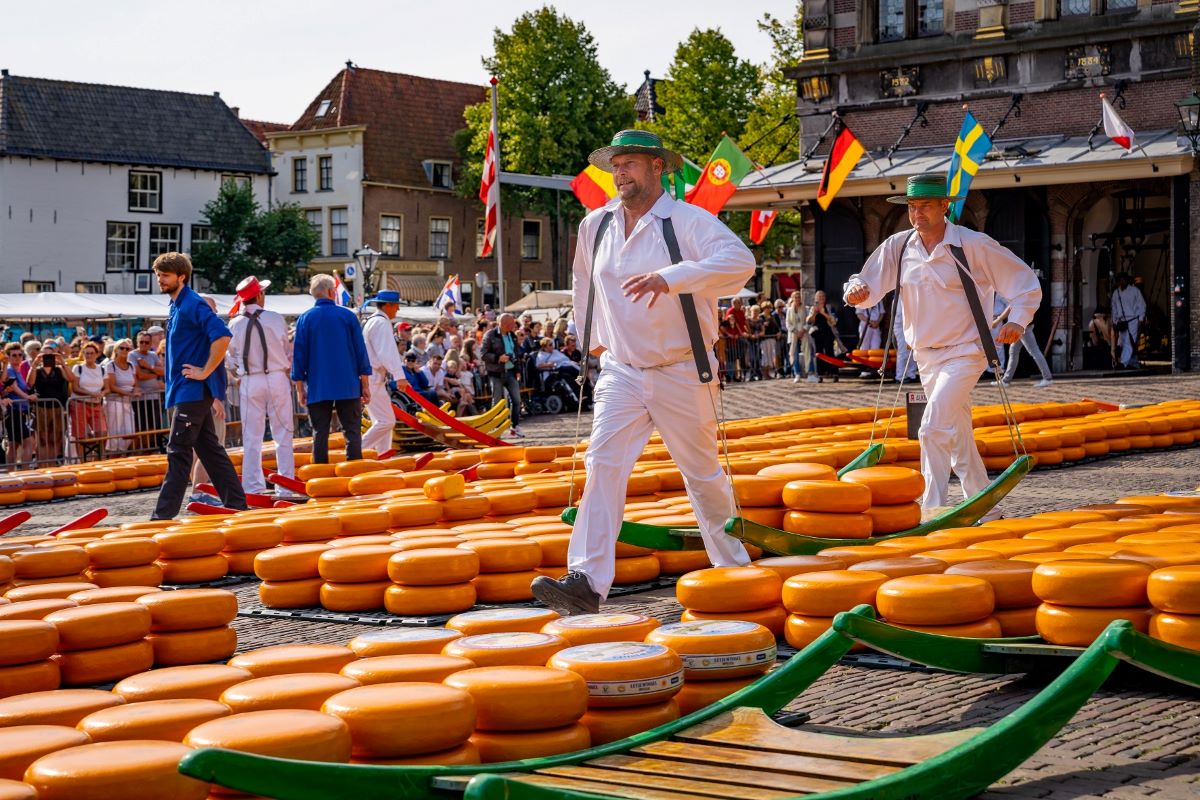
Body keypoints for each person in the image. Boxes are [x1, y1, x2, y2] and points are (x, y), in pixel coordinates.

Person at [532, 129, 753, 615]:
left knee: (701, 473)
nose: (620, 173)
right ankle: (587, 581)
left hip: (681, 368)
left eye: (630, 163)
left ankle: (734, 571)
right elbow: (583, 281)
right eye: (616, 164)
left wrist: (670, 279)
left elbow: (741, 263)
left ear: (658, 168)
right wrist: (590, 339)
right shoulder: (597, 225)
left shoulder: (688, 221)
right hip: (621, 369)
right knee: (602, 463)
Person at [844, 172, 1041, 512]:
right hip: (925, 357)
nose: (917, 214)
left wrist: (1017, 321)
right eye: (912, 206)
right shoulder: (899, 246)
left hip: (968, 352)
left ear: (944, 206)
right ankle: (986, 507)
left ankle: (931, 508)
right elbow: (866, 282)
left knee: (932, 427)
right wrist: (855, 291)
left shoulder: (973, 244)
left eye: (925, 206)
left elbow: (1024, 282)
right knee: (958, 435)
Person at [150, 252, 246, 519]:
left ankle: (161, 517)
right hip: (187, 390)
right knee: (210, 451)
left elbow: (223, 336)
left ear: (181, 276)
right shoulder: (176, 305)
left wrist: (205, 372)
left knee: (178, 452)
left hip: (191, 391)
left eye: (165, 275)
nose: (160, 279)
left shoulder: (192, 303)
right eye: (158, 274)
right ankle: (237, 505)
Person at [226, 275, 297, 495]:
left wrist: (240, 371)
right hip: (276, 377)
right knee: (283, 433)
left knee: (251, 436)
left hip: (250, 379)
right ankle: (285, 486)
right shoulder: (275, 319)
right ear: (258, 295)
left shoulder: (234, 323)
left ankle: (253, 487)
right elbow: (286, 350)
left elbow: (229, 358)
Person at [292, 274, 372, 465]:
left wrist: (299, 389)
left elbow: (299, 356)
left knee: (319, 432)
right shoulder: (348, 316)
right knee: (352, 431)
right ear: (331, 292)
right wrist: (365, 385)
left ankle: (320, 476)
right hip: (348, 383)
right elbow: (360, 352)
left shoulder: (305, 319)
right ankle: (354, 472)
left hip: (319, 385)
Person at [189, 295, 231, 495]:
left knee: (199, 450)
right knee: (212, 448)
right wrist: (215, 398)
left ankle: (199, 491)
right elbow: (209, 369)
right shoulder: (208, 336)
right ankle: (199, 493)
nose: (215, 315)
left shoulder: (190, 334)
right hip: (207, 397)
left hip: (193, 398)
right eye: (212, 311)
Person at [359, 290, 408, 456]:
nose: (398, 310)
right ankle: (356, 451)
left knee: (381, 421)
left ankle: (382, 455)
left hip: (373, 376)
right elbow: (386, 353)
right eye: (396, 306)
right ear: (387, 305)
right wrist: (400, 376)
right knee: (387, 421)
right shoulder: (381, 323)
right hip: (373, 376)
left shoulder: (374, 321)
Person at [481, 313, 524, 438]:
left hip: (510, 372)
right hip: (496, 373)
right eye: (511, 323)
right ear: (504, 324)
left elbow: (516, 354)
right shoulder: (490, 335)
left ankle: (514, 426)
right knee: (497, 402)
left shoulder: (512, 335)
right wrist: (498, 358)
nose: (514, 325)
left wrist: (517, 370)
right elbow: (483, 354)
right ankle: (496, 429)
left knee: (516, 400)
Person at [996, 295, 1052, 388]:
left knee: (1034, 351)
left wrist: (997, 320)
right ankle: (1006, 380)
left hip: (1022, 326)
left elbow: (1010, 307)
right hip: (1022, 324)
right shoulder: (1024, 291)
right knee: (1014, 352)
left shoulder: (1019, 292)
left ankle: (1048, 378)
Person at [27, 344, 70, 463]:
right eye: (44, 355)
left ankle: (51, 464)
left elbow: (71, 379)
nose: (47, 357)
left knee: (55, 438)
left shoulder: (59, 370)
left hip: (57, 407)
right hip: (42, 408)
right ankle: (42, 464)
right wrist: (34, 364)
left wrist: (62, 362)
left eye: (50, 355)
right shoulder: (38, 370)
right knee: (42, 438)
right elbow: (30, 383)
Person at [128, 329, 165, 451]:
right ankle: (141, 451)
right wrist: (154, 373)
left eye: (146, 342)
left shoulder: (153, 355)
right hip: (140, 398)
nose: (144, 344)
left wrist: (148, 367)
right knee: (141, 427)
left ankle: (151, 449)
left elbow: (163, 372)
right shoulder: (132, 355)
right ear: (137, 342)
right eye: (141, 342)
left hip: (153, 397)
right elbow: (139, 375)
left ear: (150, 344)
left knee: (154, 426)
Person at [68, 341, 106, 458]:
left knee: (102, 433)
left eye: (91, 353)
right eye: (86, 353)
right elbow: (75, 387)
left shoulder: (102, 369)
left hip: (96, 405)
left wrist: (101, 393)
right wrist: (90, 394)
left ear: (97, 354)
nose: (89, 355)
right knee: (81, 436)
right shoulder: (78, 368)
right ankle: (82, 462)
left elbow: (107, 387)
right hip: (80, 404)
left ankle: (99, 458)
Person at [102, 338, 138, 453]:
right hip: (114, 402)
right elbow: (112, 386)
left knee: (130, 432)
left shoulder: (131, 365)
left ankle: (121, 454)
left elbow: (135, 383)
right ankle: (113, 458)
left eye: (127, 348)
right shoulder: (110, 365)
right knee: (114, 434)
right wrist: (128, 393)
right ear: (116, 350)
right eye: (122, 348)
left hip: (127, 402)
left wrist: (136, 390)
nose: (124, 350)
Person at [2, 343, 36, 465]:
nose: (17, 357)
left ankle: (13, 472)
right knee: (27, 442)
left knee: (13, 444)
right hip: (14, 411)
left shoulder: (19, 371)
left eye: (20, 355)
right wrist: (28, 397)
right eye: (14, 355)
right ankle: (24, 472)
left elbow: (27, 386)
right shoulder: (10, 370)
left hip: (20, 411)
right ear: (9, 357)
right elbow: (14, 387)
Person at [1110, 273, 1146, 368]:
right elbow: (1114, 308)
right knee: (1122, 342)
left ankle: (1123, 363)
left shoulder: (1135, 291)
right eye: (1120, 280)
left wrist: (1141, 319)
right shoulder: (1116, 293)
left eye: (1123, 280)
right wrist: (1114, 321)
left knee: (1129, 342)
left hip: (1132, 320)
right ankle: (1133, 363)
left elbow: (1142, 306)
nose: (1122, 282)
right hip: (1121, 321)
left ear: (1127, 280)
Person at [807, 290, 839, 382]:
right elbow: (809, 321)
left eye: (822, 297)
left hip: (828, 333)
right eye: (819, 297)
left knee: (830, 353)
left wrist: (824, 313)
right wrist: (815, 313)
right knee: (818, 354)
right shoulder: (813, 308)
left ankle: (834, 373)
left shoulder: (829, 307)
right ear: (816, 298)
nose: (821, 298)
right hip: (817, 333)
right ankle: (820, 375)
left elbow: (834, 321)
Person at [784, 291, 810, 383]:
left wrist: (803, 330)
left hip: (804, 333)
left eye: (799, 297)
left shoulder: (805, 308)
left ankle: (810, 373)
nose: (797, 299)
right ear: (793, 299)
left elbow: (808, 321)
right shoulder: (789, 310)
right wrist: (795, 331)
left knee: (808, 352)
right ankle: (797, 374)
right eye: (795, 297)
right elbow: (787, 323)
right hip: (794, 335)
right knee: (794, 355)